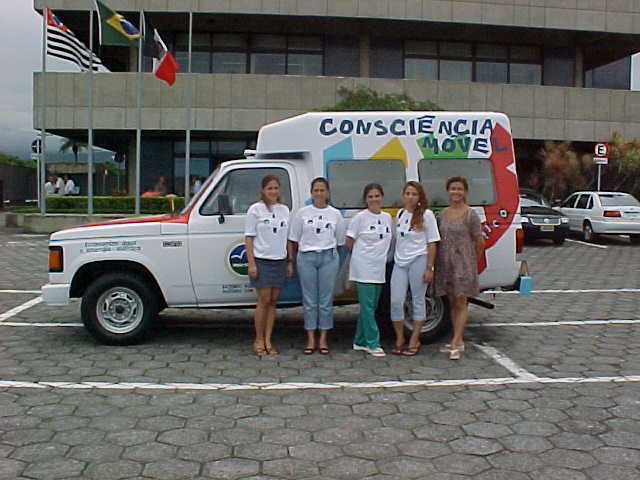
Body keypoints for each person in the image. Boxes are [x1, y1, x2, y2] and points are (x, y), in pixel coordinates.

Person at [288, 178, 345, 355]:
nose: (319, 194)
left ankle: (323, 338)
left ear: (327, 192)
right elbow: (294, 239)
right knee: (310, 300)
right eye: (316, 190)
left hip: (328, 258)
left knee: (326, 300)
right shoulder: (302, 213)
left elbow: (340, 241)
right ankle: (311, 337)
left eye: (322, 190)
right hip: (306, 258)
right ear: (311, 193)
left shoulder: (335, 214)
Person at [435, 176, 485, 360]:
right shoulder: (442, 214)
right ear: (448, 191)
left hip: (463, 265)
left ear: (465, 192)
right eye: (453, 189)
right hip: (445, 264)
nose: (456, 192)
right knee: (452, 303)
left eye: (459, 189)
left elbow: (479, 241)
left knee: (461, 303)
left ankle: (455, 342)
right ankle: (458, 339)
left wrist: (472, 262)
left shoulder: (470, 215)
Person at [390, 181, 440, 356]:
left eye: (414, 194)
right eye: (408, 193)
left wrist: (429, 268)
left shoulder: (427, 215)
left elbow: (432, 243)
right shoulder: (400, 214)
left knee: (418, 299)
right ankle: (399, 338)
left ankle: (414, 338)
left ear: (419, 197)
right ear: (403, 195)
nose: (410, 197)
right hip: (400, 262)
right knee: (396, 301)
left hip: (419, 259)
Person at [245, 175, 292, 356]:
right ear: (263, 190)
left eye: (275, 188)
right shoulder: (255, 210)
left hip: (279, 260)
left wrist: (289, 261)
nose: (273, 191)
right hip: (262, 260)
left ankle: (268, 339)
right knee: (263, 300)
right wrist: (251, 263)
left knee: (273, 301)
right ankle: (258, 339)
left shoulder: (284, 210)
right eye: (269, 188)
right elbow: (249, 238)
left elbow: (288, 238)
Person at [345, 183, 393, 357]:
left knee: (371, 307)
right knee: (366, 307)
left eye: (377, 196)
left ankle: (360, 341)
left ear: (382, 197)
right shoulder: (360, 218)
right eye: (370, 196)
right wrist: (362, 256)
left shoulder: (387, 217)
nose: (374, 199)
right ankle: (373, 343)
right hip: (363, 267)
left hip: (379, 268)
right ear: (365, 199)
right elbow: (349, 241)